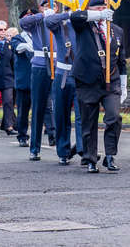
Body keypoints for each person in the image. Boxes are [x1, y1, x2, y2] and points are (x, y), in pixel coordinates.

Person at [70, 0, 127, 173]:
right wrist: (96, 15)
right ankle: (90, 159)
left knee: (114, 117)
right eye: (98, 8)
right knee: (88, 122)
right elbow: (75, 16)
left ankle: (110, 155)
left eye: (104, 7)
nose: (102, 10)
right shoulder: (84, 27)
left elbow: (121, 59)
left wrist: (123, 85)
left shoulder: (116, 30)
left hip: (111, 81)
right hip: (87, 81)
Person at [19, 1, 58, 161]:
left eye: (53, 5)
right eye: (46, 5)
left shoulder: (59, 20)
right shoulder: (37, 22)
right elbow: (23, 22)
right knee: (38, 108)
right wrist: (43, 15)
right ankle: (34, 148)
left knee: (59, 109)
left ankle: (61, 147)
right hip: (41, 66)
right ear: (41, 7)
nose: (50, 8)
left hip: (60, 66)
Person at [46, 8, 83, 165]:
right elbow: (49, 21)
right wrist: (67, 15)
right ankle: (63, 151)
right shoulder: (61, 26)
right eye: (70, 8)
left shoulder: (84, 26)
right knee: (61, 116)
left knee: (83, 116)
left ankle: (84, 150)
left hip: (81, 77)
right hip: (63, 76)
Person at [11, 10, 35, 147]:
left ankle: (51, 134)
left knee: (46, 109)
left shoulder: (41, 36)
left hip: (40, 79)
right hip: (24, 81)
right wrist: (27, 45)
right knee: (23, 111)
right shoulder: (18, 38)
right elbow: (18, 48)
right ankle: (22, 135)